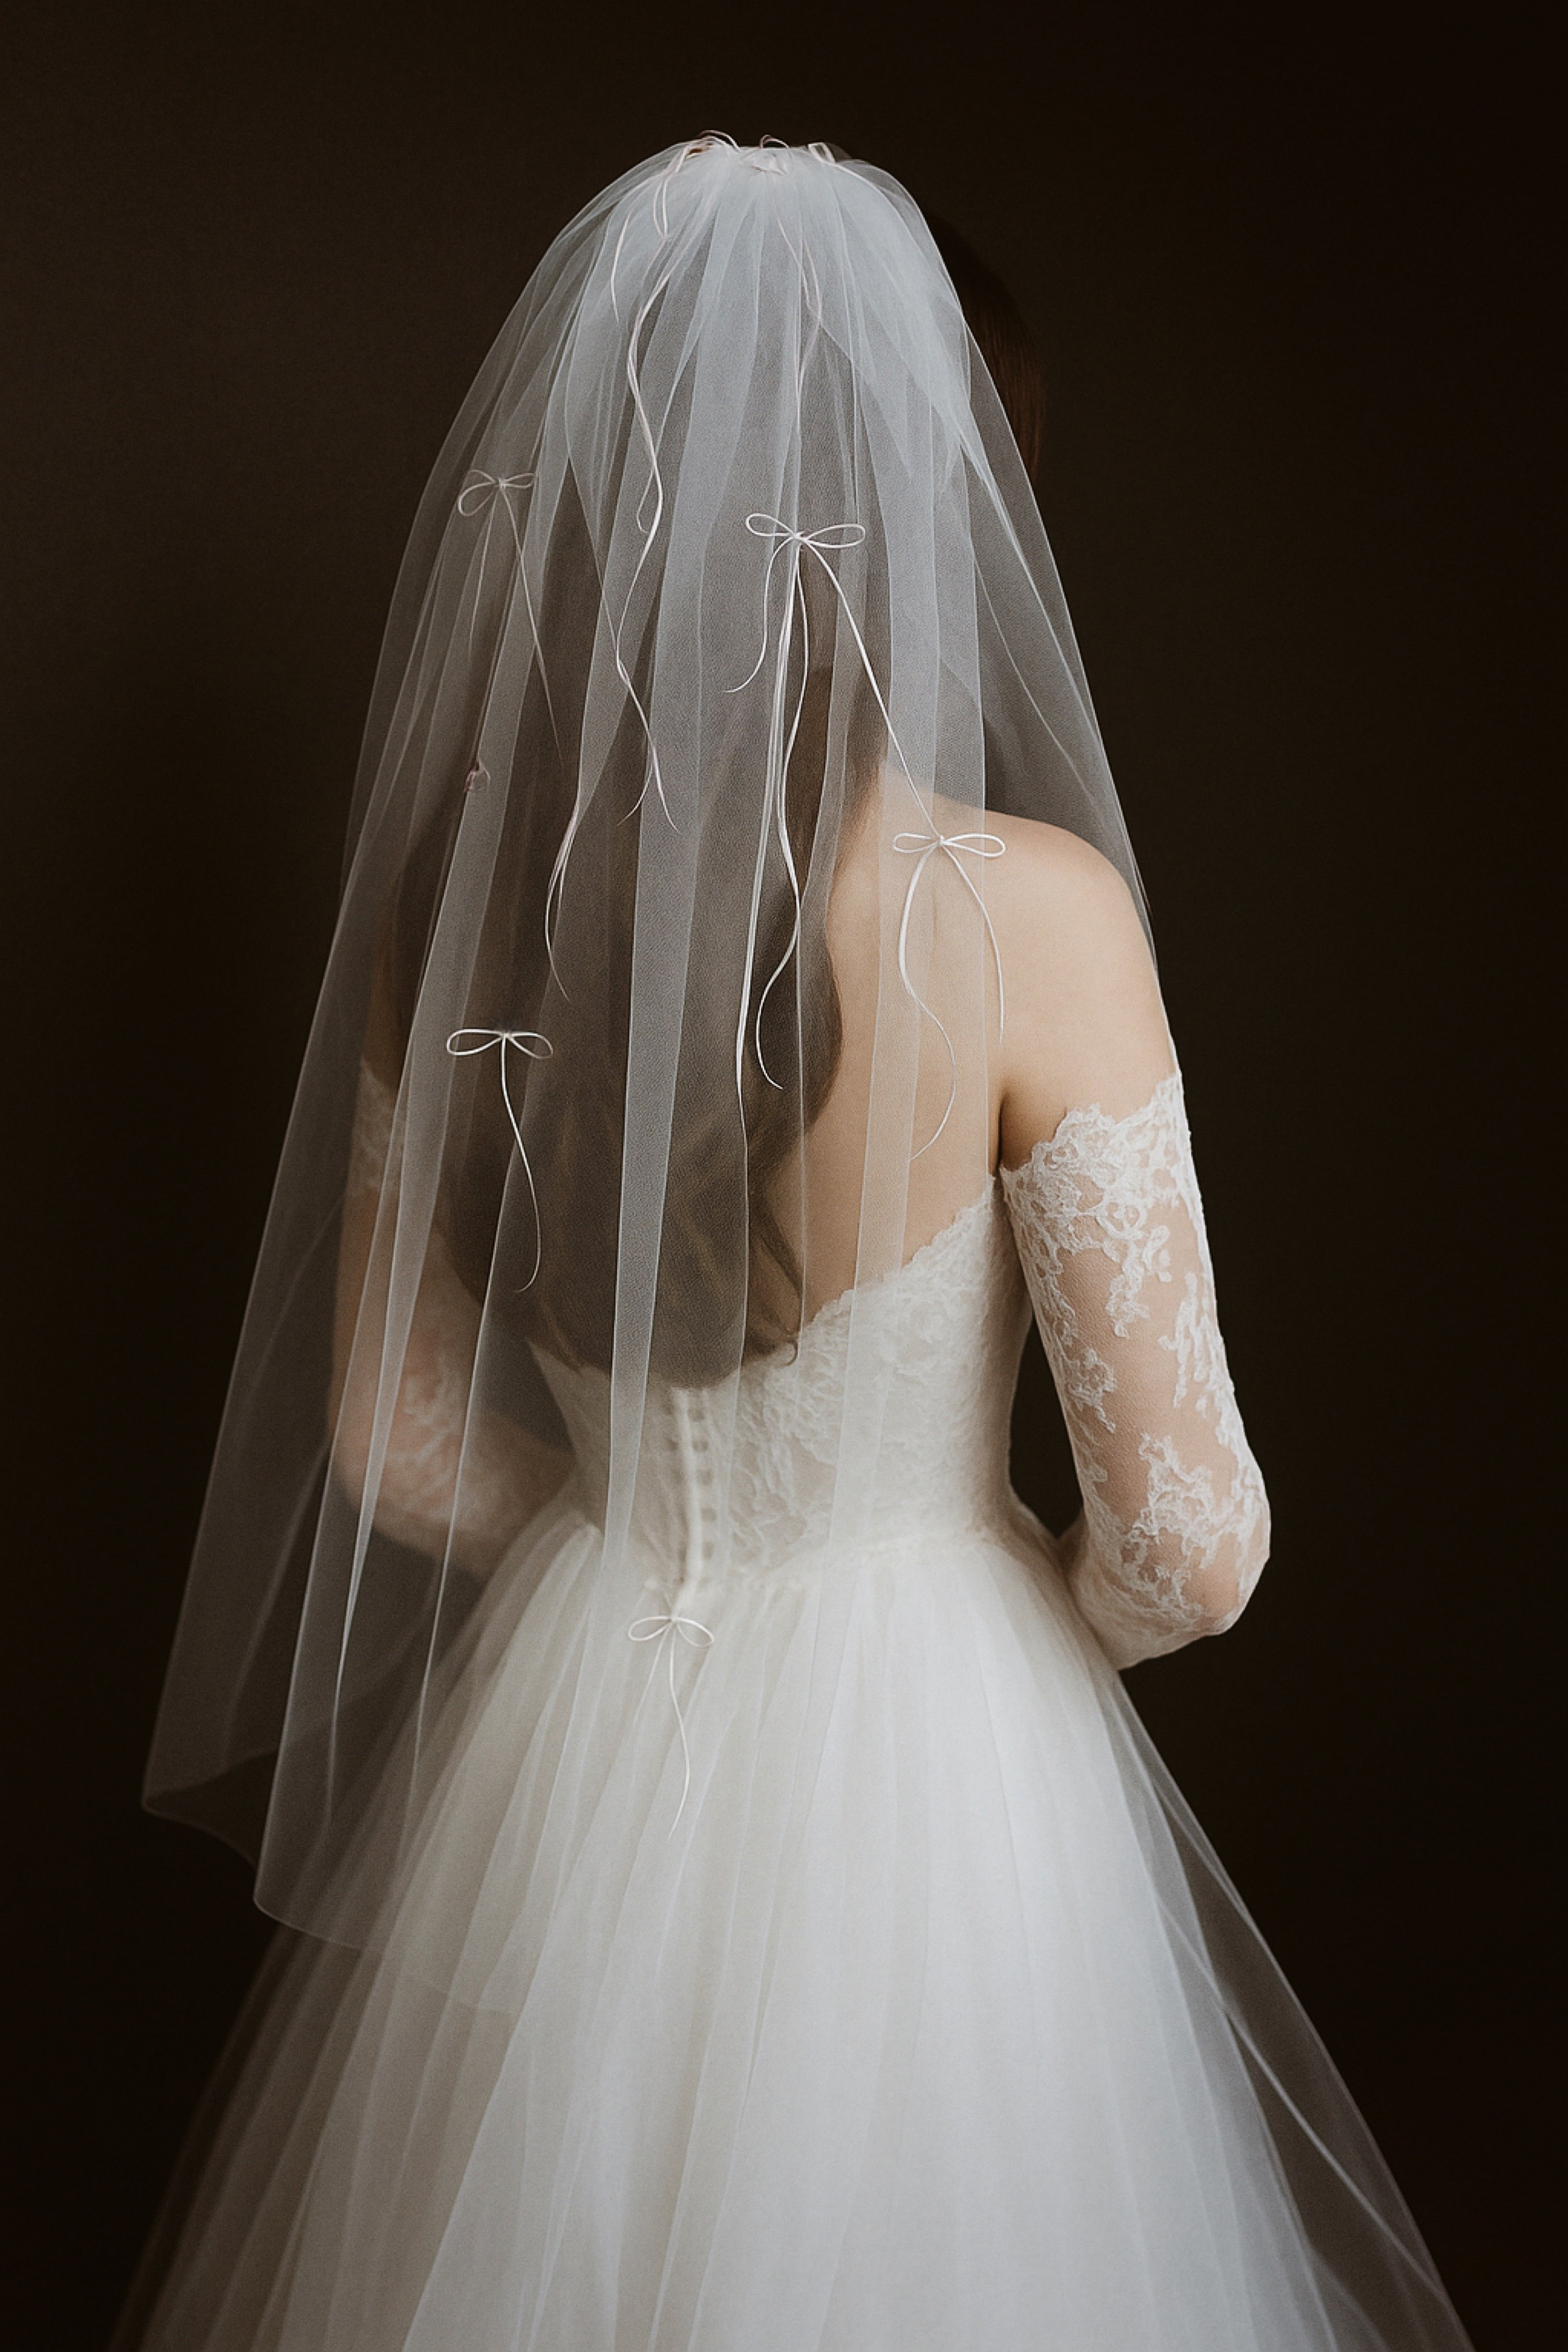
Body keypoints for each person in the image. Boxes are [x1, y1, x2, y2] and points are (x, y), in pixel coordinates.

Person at [119, 136, 1472, 2351]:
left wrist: (646, 1544)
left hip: (579, 1727)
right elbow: (1190, 1535)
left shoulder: (476, 876)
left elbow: (386, 1430)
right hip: (940, 1735)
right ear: (941, 507)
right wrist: (1009, 1613)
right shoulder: (1031, 914)